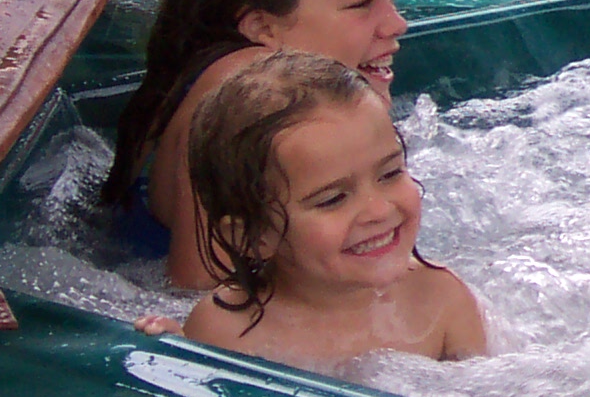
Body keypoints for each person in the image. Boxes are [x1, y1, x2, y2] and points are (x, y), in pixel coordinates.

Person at [100, 0, 407, 291]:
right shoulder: (252, 100)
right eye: (361, 4)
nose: (396, 23)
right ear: (262, 27)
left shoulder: (239, 74)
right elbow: (199, 293)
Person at [158, 52, 486, 371]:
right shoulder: (227, 330)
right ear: (253, 237)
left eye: (389, 174)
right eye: (332, 199)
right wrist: (180, 366)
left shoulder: (440, 299)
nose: (377, 210)